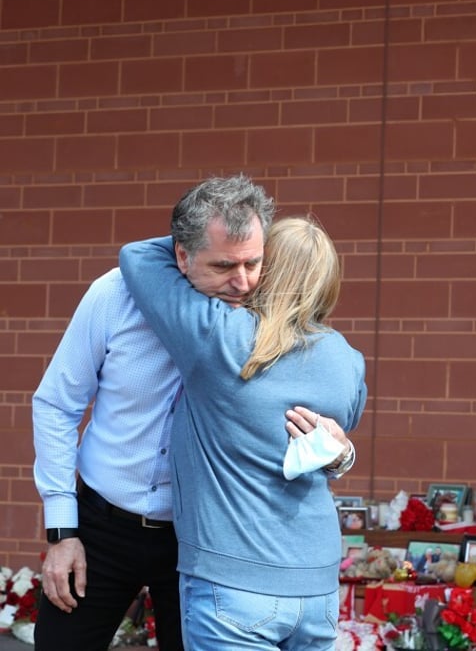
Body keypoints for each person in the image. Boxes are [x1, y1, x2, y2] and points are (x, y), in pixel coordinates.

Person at [31, 175, 346, 651]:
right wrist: (62, 530)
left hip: (201, 543)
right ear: (180, 254)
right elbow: (57, 403)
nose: (242, 281)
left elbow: (313, 407)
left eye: (253, 262)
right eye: (223, 265)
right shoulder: (115, 294)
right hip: (102, 524)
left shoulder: (268, 318)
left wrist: (340, 451)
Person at [118, 214, 367, 650]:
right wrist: (343, 455)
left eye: (255, 261)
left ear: (266, 269)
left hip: (232, 580)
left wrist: (225, 238)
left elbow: (137, 256)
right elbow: (344, 429)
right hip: (318, 585)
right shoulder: (347, 359)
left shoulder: (220, 336)